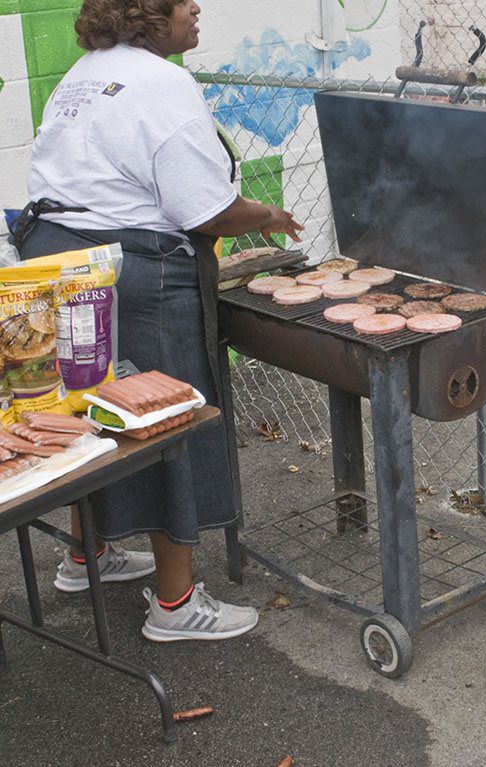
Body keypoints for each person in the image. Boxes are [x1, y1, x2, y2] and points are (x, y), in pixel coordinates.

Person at [12, 0, 303, 642]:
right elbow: (202, 210)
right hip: (138, 273)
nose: (196, 9)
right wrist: (266, 215)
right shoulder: (164, 82)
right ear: (148, 14)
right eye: (181, 2)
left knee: (92, 407)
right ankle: (174, 605)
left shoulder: (84, 73)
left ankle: (90, 554)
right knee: (169, 418)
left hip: (58, 260)